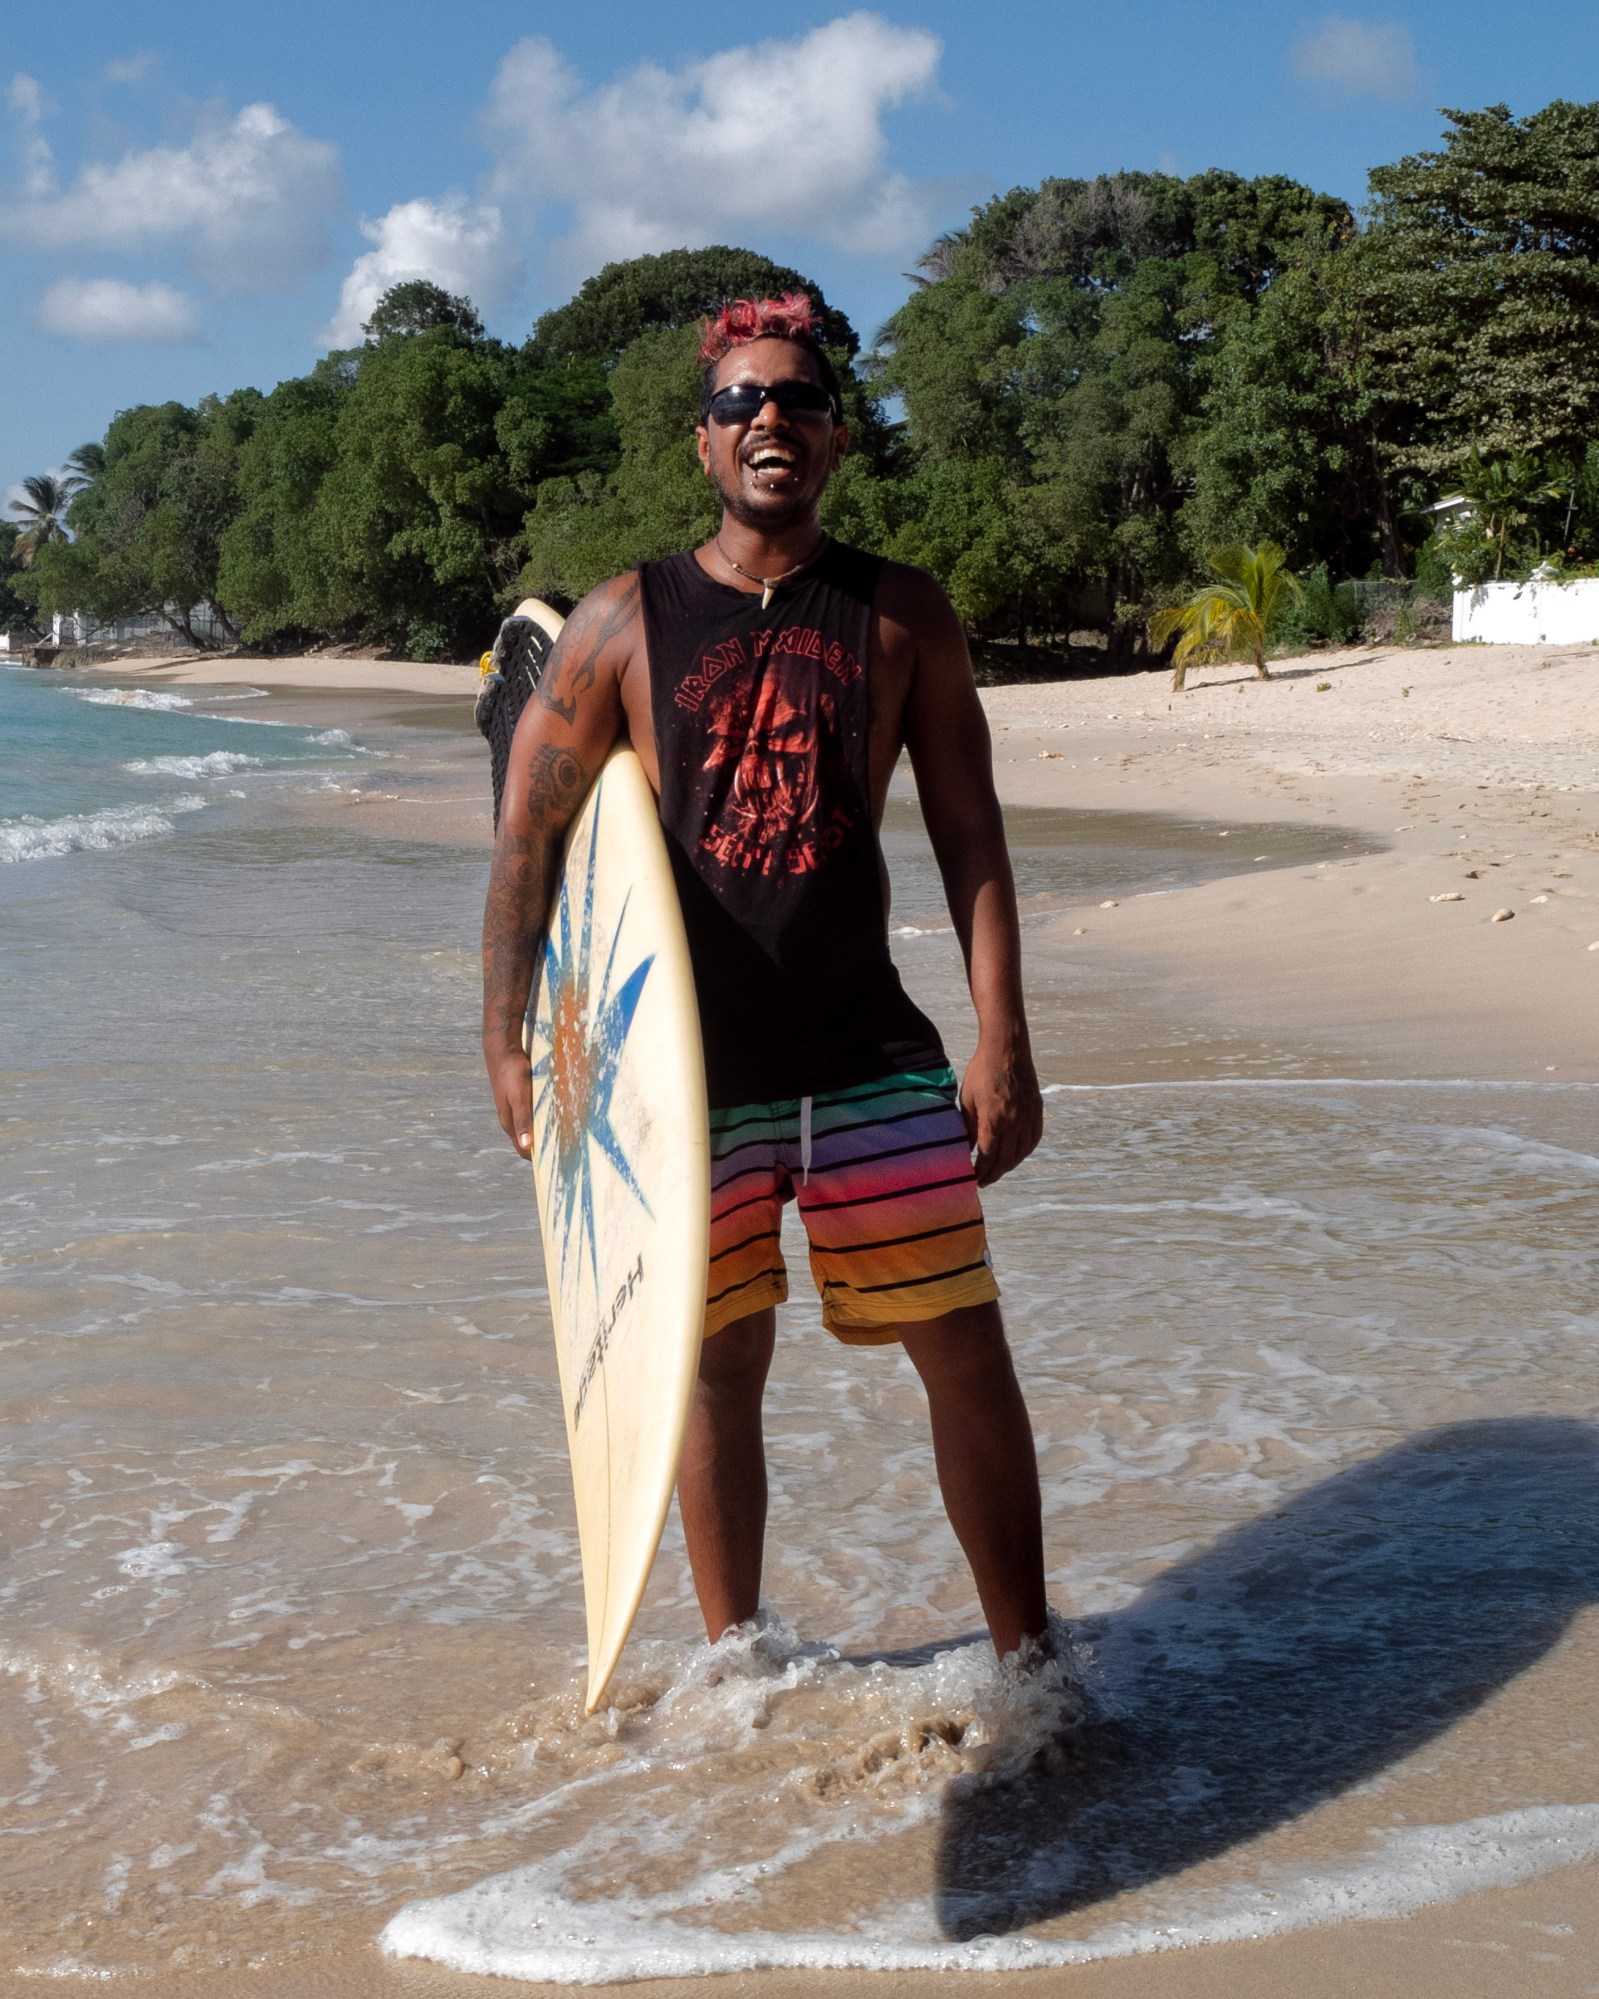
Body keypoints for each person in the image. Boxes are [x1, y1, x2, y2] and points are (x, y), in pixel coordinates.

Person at [482, 293, 1050, 1663]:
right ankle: (737, 1661)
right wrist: (506, 1040)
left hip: (868, 1054)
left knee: (962, 1352)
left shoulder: (901, 614)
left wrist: (1002, 1039)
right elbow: (532, 839)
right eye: (742, 402)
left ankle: (1038, 1666)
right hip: (688, 1080)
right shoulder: (624, 620)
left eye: (798, 399)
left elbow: (971, 832)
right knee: (714, 1368)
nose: (771, 420)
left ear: (838, 437)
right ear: (704, 444)